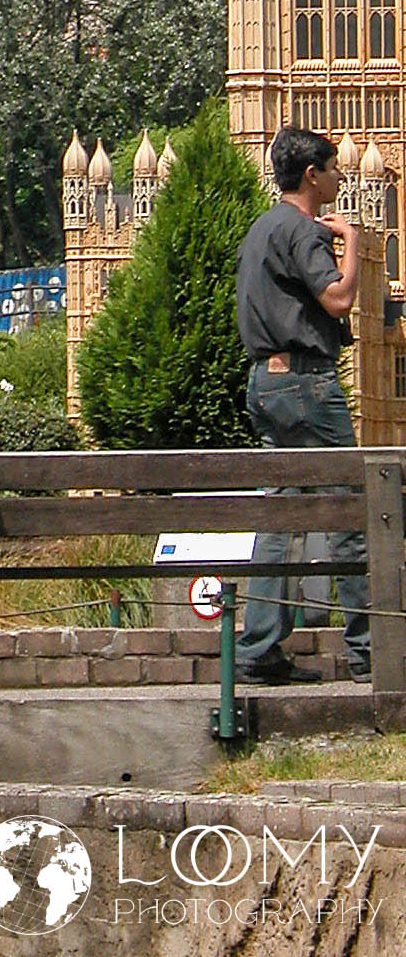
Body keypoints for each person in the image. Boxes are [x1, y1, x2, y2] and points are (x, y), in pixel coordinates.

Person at [234, 125, 370, 684]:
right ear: (312, 176)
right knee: (354, 512)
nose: (340, 175)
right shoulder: (304, 231)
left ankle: (258, 648)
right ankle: (372, 649)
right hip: (307, 385)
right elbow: (336, 300)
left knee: (281, 517)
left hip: (264, 383)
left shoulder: (262, 227)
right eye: (334, 167)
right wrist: (354, 241)